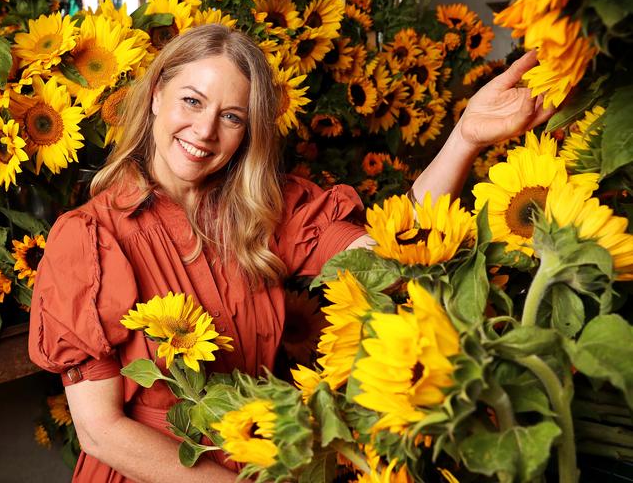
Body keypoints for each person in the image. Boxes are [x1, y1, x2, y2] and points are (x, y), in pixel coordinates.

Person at [28, 24, 554, 482]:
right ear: (157, 95)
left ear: (248, 131)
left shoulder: (263, 214)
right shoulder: (88, 239)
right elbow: (101, 433)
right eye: (192, 100)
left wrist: (465, 137)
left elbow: (386, 259)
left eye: (231, 116)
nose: (205, 131)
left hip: (268, 462)